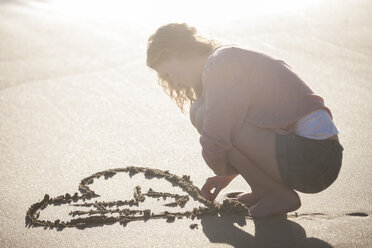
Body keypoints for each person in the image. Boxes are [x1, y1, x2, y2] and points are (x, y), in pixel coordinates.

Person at [146, 23, 344, 218]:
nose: (175, 83)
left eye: (169, 73)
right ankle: (263, 190)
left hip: (314, 158)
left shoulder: (222, 63)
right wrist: (230, 174)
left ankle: (278, 195)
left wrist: (221, 167)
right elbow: (258, 129)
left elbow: (218, 135)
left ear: (179, 53)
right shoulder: (224, 59)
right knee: (205, 113)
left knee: (204, 115)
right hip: (314, 159)